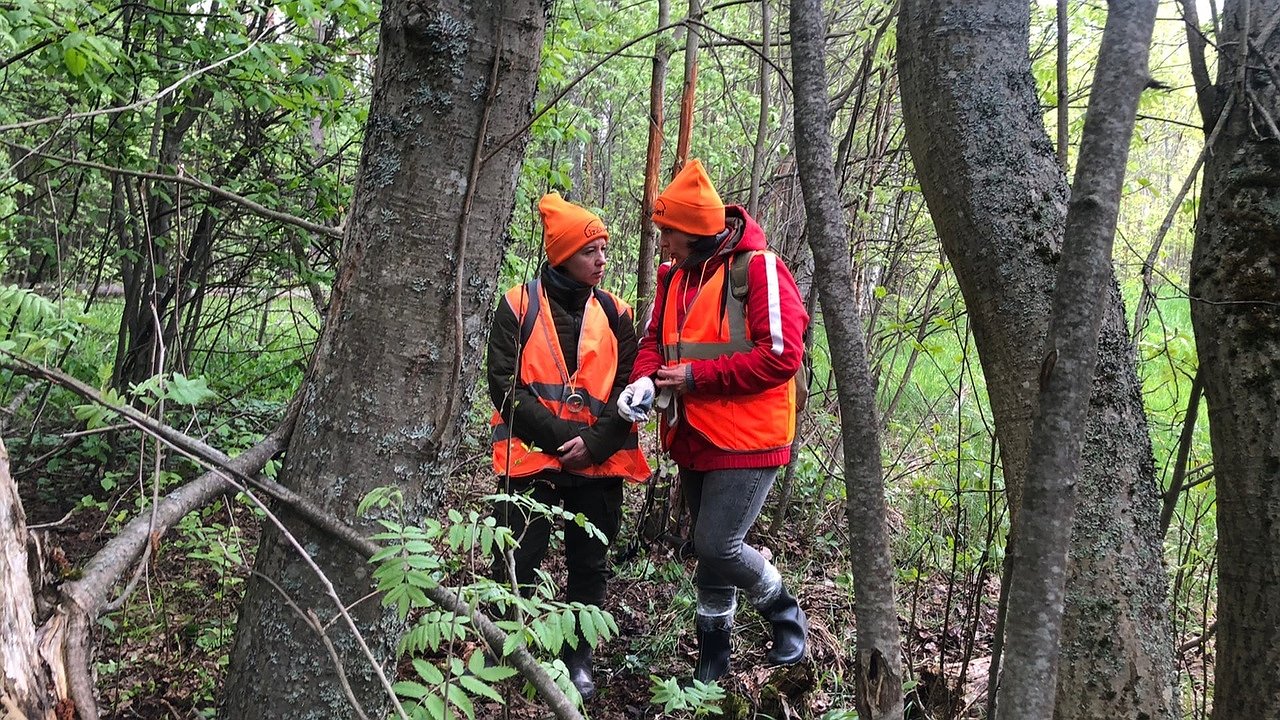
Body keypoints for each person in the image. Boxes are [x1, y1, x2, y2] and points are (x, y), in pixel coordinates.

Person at [617, 159, 809, 682]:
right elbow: (654, 341)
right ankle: (712, 661)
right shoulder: (673, 278)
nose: (663, 244)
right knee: (710, 553)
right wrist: (645, 380)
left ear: (695, 230)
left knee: (716, 545)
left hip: (750, 439)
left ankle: (785, 613)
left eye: (669, 233)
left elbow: (781, 355)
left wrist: (695, 377)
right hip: (694, 435)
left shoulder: (759, 270)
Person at [487, 192, 649, 700]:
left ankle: (579, 656)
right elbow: (503, 386)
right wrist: (564, 442)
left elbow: (629, 389)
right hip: (532, 457)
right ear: (561, 255)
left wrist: (594, 445)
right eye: (590, 251)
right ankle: (507, 649)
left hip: (598, 461)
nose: (602, 260)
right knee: (518, 556)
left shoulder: (617, 313)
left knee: (589, 563)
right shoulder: (517, 305)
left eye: (604, 250)